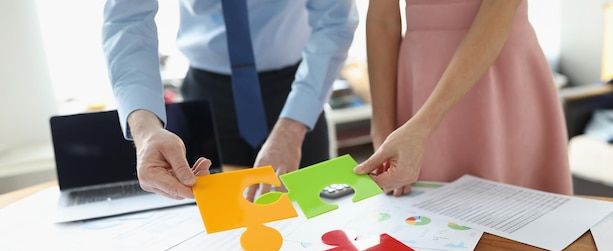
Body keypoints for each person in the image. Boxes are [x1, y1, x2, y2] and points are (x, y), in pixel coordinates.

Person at [102, 0, 358, 201]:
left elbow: (335, 22)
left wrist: (294, 125)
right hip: (207, 96)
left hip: (296, 91)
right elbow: (127, 20)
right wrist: (145, 131)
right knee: (216, 231)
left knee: (313, 223)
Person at [354, 0, 573, 196]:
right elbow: (382, 19)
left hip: (499, 72)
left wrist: (422, 127)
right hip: (419, 78)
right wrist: (382, 130)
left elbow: (499, 7)